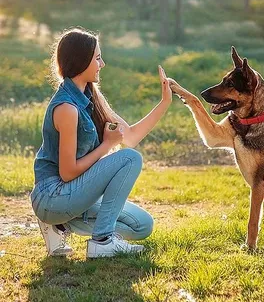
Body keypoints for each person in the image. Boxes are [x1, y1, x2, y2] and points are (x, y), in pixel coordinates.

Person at [30, 27, 172, 258]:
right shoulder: (67, 108)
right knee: (130, 159)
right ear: (81, 61)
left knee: (142, 225)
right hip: (53, 197)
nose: (102, 64)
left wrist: (164, 103)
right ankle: (103, 241)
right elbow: (67, 173)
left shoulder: (91, 96)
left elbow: (132, 136)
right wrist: (106, 145)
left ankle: (61, 225)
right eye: (97, 58)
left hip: (73, 195)